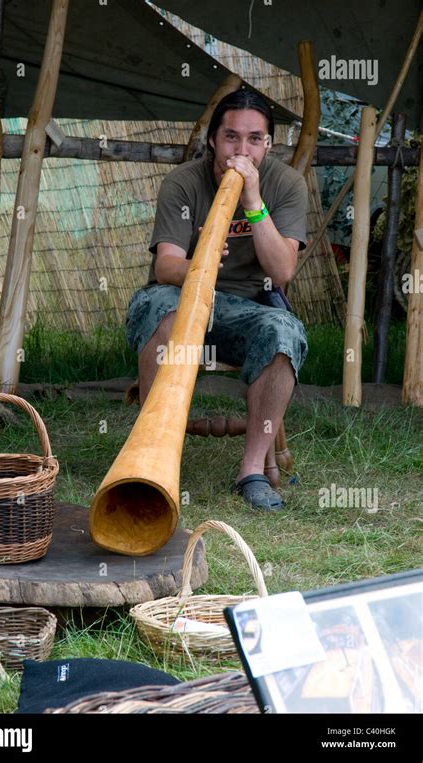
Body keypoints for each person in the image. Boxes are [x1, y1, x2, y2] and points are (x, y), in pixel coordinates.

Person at [125, 89, 308, 511]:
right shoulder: (183, 183)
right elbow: (165, 267)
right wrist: (201, 259)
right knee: (159, 310)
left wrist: (253, 202)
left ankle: (252, 472)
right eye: (231, 138)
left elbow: (282, 272)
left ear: (268, 143)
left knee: (284, 332)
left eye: (254, 139)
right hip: (183, 295)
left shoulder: (285, 185)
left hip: (251, 306)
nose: (241, 151)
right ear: (212, 140)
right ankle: (153, 459)